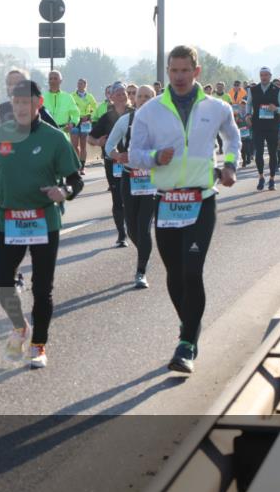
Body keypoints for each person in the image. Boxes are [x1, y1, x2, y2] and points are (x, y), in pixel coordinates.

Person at [129, 45, 240, 374]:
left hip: (201, 201)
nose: (178, 77)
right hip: (166, 202)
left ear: (197, 71)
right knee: (175, 276)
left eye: (184, 70)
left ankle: (187, 343)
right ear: (167, 72)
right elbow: (134, 154)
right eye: (173, 71)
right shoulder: (149, 111)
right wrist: (153, 159)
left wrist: (230, 166)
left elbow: (232, 139)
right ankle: (189, 325)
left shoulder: (216, 107)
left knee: (192, 271)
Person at [0, 79, 83, 369]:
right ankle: (20, 326)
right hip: (8, 219)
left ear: (38, 104)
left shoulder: (54, 138)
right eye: (16, 102)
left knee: (42, 287)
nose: (21, 108)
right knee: (2, 282)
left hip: (43, 219)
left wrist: (65, 192)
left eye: (27, 103)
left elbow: (75, 179)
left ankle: (38, 345)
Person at [106, 84, 157, 288]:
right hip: (129, 177)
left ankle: (141, 270)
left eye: (147, 96)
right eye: (139, 95)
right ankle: (144, 251)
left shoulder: (162, 121)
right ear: (133, 99)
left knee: (143, 227)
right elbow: (109, 146)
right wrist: (118, 155)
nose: (143, 99)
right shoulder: (125, 121)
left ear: (154, 99)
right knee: (132, 227)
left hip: (152, 179)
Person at [89, 82, 132, 247]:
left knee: (131, 197)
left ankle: (134, 228)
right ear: (111, 97)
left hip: (133, 162)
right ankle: (122, 234)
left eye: (124, 92)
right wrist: (98, 141)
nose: (121, 95)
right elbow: (90, 138)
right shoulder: (106, 118)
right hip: (113, 163)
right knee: (117, 197)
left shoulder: (135, 114)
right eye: (118, 93)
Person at [245, 67, 280, 191]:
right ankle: (261, 177)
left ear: (270, 76)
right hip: (258, 125)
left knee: (272, 153)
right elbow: (248, 104)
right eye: (261, 75)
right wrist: (248, 115)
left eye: (266, 75)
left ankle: (272, 179)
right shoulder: (253, 89)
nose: (263, 77)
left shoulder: (277, 90)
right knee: (258, 153)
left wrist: (276, 109)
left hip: (272, 126)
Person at [71, 77, 99, 174]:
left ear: (85, 85)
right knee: (74, 145)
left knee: (83, 145)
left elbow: (96, 108)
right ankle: (76, 165)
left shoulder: (90, 96)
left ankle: (82, 167)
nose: (80, 85)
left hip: (85, 122)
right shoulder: (72, 96)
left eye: (82, 84)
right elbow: (69, 108)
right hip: (75, 121)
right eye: (78, 84)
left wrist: (89, 116)